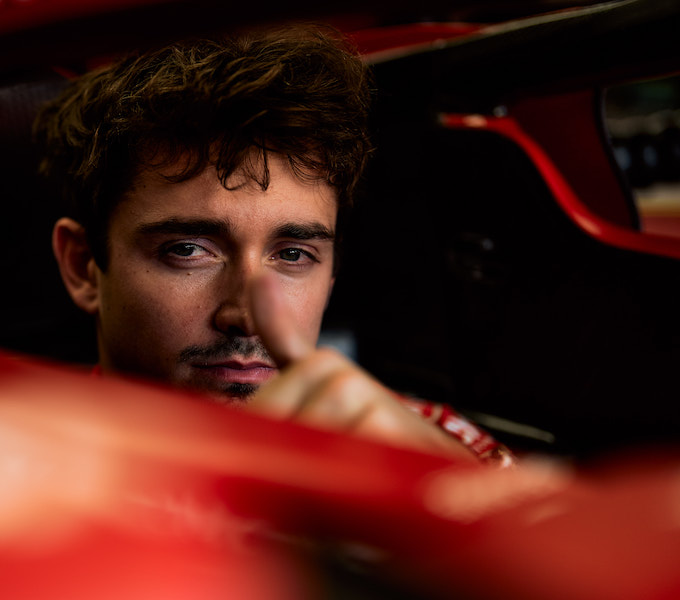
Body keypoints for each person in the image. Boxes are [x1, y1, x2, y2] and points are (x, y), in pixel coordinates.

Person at [36, 25, 509, 464]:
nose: (244, 316)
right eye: (188, 250)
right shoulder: (9, 466)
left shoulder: (428, 448)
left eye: (292, 254)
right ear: (82, 266)